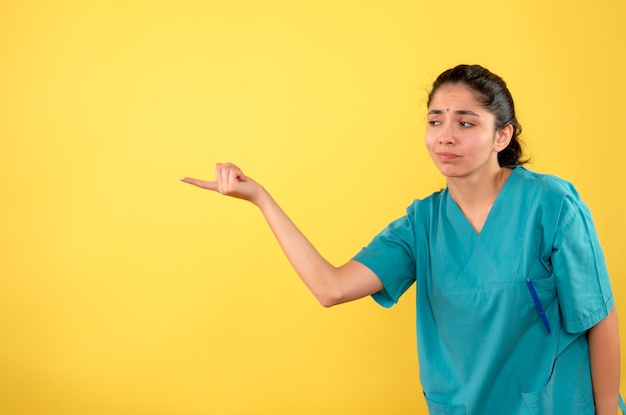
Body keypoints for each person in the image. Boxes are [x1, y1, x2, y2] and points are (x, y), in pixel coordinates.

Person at [182, 64, 622, 414]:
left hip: (555, 406)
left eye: (466, 123)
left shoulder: (550, 204)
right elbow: (330, 287)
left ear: (501, 136)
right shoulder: (422, 224)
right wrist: (260, 198)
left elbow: (597, 314)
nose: (446, 135)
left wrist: (606, 408)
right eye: (436, 120)